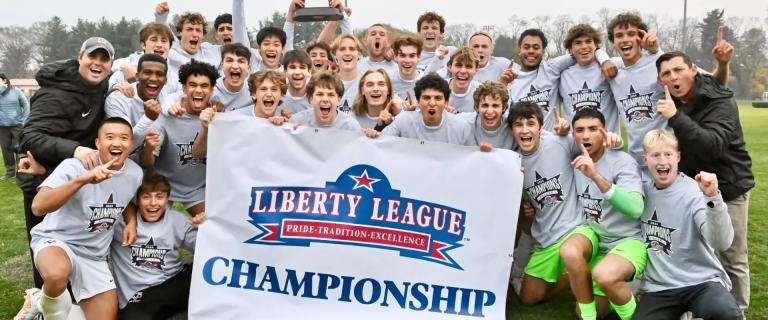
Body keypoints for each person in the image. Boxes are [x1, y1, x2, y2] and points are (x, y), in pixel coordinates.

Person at [655, 50, 754, 313]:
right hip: (691, 190)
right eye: (667, 73)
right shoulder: (673, 101)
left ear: (694, 69)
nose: (674, 77)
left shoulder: (719, 100)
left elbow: (712, 147)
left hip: (729, 186)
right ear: (660, 80)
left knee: (732, 255)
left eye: (679, 70)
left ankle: (738, 311)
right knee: (693, 251)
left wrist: (675, 117)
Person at [19, 37, 117, 288]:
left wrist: (124, 81)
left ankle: (71, 301)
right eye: (92, 57)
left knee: (74, 244)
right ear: (79, 59)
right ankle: (42, 304)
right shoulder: (55, 93)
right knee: (46, 254)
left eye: (104, 59)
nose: (97, 63)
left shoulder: (100, 86)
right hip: (42, 179)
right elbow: (29, 137)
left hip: (74, 179)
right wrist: (74, 149)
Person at [23, 117, 144, 320]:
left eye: (124, 138)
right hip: (58, 241)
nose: (117, 143)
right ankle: (45, 307)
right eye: (110, 137)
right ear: (97, 143)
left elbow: (125, 201)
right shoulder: (74, 166)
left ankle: (44, 305)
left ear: (131, 145)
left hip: (93, 255)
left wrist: (131, 221)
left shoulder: (135, 173)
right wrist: (83, 180)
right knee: (55, 274)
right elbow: (38, 206)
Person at [511, 101, 622, 311]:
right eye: (518, 125)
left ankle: (590, 278)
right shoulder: (513, 164)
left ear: (540, 127)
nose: (525, 129)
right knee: (528, 298)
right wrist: (528, 213)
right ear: (512, 130)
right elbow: (526, 220)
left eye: (530, 123)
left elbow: (591, 146)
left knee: (571, 255)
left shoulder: (559, 143)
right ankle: (569, 278)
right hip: (546, 239)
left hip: (577, 229)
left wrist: (613, 141)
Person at [633, 129, 742, 320]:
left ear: (678, 157)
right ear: (645, 159)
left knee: (727, 314)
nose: (662, 161)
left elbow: (720, 242)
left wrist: (713, 198)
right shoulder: (640, 194)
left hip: (701, 281)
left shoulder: (693, 191)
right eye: (655, 155)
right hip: (660, 286)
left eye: (668, 154)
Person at [570, 108, 646, 319]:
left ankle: (635, 313)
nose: (585, 135)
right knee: (570, 252)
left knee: (604, 276)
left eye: (593, 129)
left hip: (629, 241)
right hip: (599, 242)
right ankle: (594, 314)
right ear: (573, 135)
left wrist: (595, 175)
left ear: (604, 133)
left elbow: (635, 209)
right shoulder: (574, 159)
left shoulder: (622, 161)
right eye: (580, 130)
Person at [112, 174, 202, 318]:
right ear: (137, 199)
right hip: (140, 294)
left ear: (167, 199)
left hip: (173, 283)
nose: (153, 203)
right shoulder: (120, 224)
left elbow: (206, 250)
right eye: (146, 197)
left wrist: (205, 228)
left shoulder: (177, 220)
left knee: (204, 270)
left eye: (159, 197)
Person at [140, 59, 219, 217]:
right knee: (150, 232)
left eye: (204, 86)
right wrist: (148, 148)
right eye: (192, 85)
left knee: (212, 225)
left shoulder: (218, 117)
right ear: (184, 88)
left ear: (211, 90)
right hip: (161, 185)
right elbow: (146, 162)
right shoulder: (167, 114)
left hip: (196, 189)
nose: (198, 90)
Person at [505, 28, 609, 132]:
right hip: (525, 143)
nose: (531, 51)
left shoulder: (551, 68)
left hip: (553, 143)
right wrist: (502, 83)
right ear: (519, 50)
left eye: (536, 47)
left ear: (543, 51)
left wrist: (605, 61)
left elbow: (582, 52)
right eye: (526, 47)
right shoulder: (511, 80)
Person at [193, 70, 289, 158]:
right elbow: (197, 154)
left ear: (282, 96)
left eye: (274, 89)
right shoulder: (232, 120)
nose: (268, 94)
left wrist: (281, 129)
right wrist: (205, 129)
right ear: (254, 94)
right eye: (263, 89)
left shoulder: (286, 124)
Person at [364, 74, 473, 146]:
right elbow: (380, 145)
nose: (432, 103)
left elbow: (474, 160)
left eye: (438, 98)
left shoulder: (462, 128)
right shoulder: (403, 120)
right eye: (426, 98)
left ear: (446, 102)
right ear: (418, 102)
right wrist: (376, 130)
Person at [559, 24, 620, 134]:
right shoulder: (562, 76)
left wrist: (605, 60)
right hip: (576, 147)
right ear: (570, 49)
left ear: (596, 45)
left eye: (588, 41)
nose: (584, 46)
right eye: (578, 43)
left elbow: (638, 62)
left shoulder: (611, 65)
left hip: (607, 144)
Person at [105, 54, 168, 147]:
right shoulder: (118, 98)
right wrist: (148, 118)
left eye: (159, 74)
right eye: (147, 72)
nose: (153, 78)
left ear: (166, 80)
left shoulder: (167, 99)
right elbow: (121, 144)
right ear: (137, 76)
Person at [109, 22, 179, 98]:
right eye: (154, 40)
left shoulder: (175, 79)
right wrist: (114, 87)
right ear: (143, 45)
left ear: (170, 46)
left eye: (164, 41)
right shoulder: (123, 72)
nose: (159, 45)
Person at [290, 71, 361, 131]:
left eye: (331, 95)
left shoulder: (351, 127)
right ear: (311, 98)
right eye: (320, 94)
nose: (325, 99)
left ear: (339, 100)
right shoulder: (296, 121)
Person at [457, 81, 515, 149]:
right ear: (477, 107)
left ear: (504, 108)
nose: (490, 111)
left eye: (495, 106)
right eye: (485, 105)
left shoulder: (513, 124)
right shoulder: (465, 122)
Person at [0, 73, 29, 179]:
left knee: (19, 148)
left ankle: (21, 170)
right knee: (5, 148)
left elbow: (25, 104)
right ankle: (10, 172)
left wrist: (24, 120)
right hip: (2, 126)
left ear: (4, 80)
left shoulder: (16, 91)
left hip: (17, 125)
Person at [331, 34, 365, 113]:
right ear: (334, 54)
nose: (347, 53)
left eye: (352, 49)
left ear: (359, 54)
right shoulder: (325, 83)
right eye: (342, 49)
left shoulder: (368, 81)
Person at [213, 43, 253, 111]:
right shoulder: (210, 90)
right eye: (229, 61)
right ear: (222, 66)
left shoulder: (254, 91)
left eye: (241, 61)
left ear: (248, 68)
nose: (235, 66)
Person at [445, 47, 481, 113]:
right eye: (458, 65)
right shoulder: (437, 89)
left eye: (468, 66)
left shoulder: (482, 93)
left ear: (476, 69)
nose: (463, 71)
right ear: (450, 67)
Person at [389, 36, 424, 103]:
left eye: (412, 56)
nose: (407, 61)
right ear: (395, 56)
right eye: (402, 55)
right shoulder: (386, 79)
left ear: (419, 57)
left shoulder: (428, 82)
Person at [279, 50, 313, 114]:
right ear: (285, 71)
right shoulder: (277, 95)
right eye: (292, 67)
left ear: (309, 72)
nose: (297, 72)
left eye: (302, 67)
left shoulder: (315, 97)